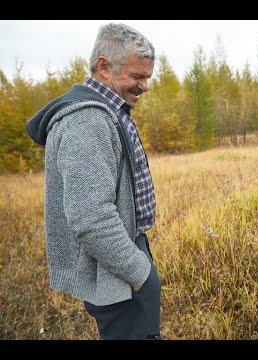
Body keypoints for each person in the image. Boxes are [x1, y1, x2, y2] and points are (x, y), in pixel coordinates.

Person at [26, 23, 161, 340]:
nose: (145, 86)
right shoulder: (88, 120)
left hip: (125, 254)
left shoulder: (110, 111)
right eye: (137, 76)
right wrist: (139, 273)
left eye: (147, 77)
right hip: (118, 270)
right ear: (104, 66)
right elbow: (90, 218)